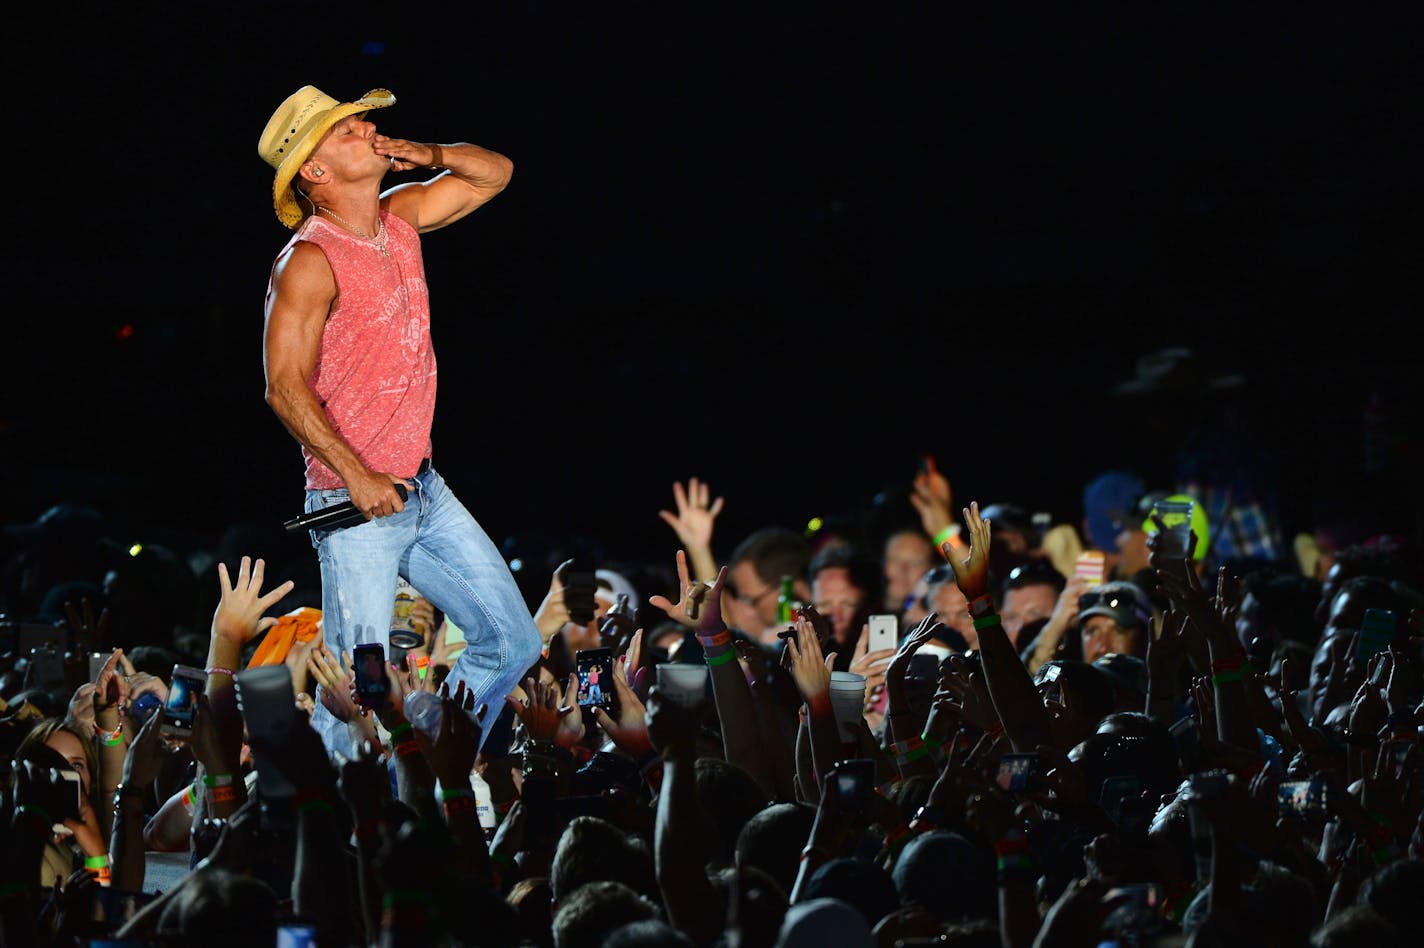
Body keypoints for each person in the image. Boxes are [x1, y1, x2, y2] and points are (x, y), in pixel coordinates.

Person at [257, 85, 540, 753]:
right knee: (355, 695)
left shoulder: (401, 218)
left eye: (360, 119)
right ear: (315, 173)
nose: (368, 127)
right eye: (347, 129)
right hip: (353, 506)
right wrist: (355, 475)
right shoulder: (308, 260)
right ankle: (333, 841)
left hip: (423, 490)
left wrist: (434, 152)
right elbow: (282, 387)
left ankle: (424, 771)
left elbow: (495, 174)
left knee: (513, 643)